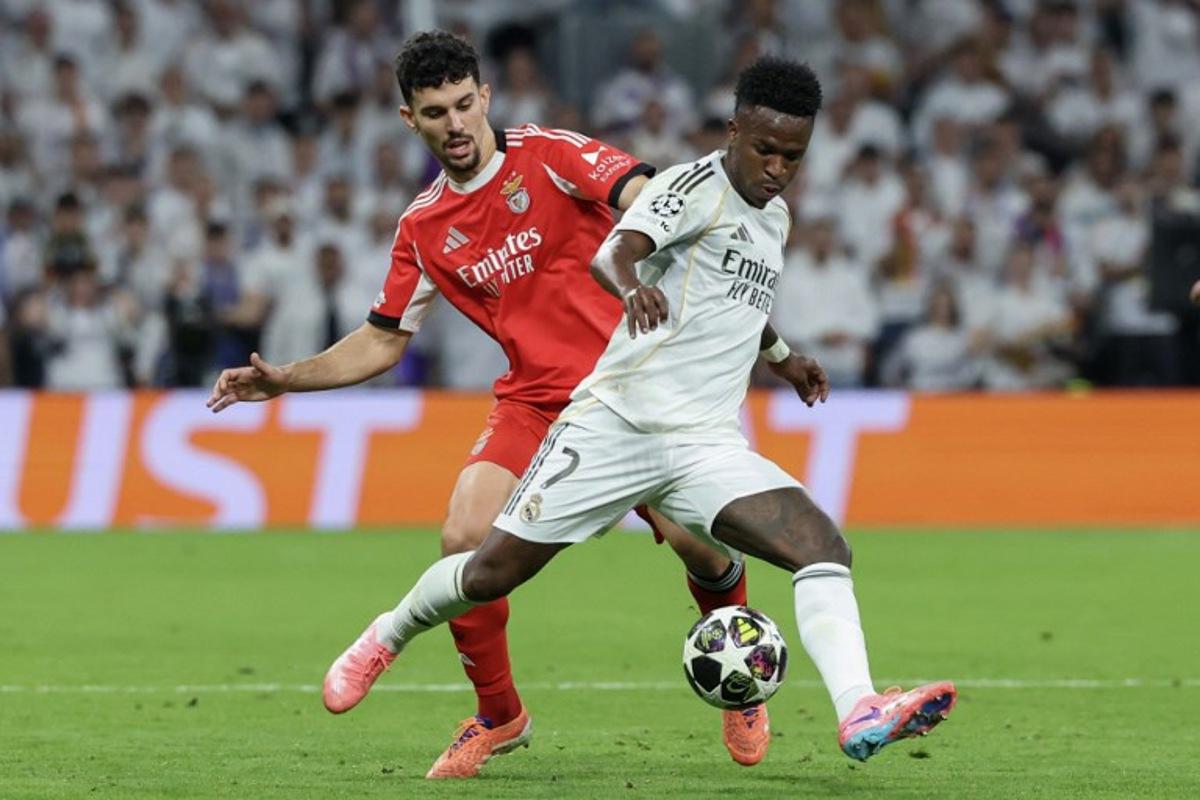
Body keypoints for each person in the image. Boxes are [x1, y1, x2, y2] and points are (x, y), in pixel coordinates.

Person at [330, 56, 956, 768]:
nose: (778, 168)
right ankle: (389, 631)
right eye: (765, 150)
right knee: (484, 572)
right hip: (614, 427)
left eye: (793, 156)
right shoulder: (689, 185)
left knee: (822, 547)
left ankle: (860, 709)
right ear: (734, 132)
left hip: (701, 444)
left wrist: (781, 354)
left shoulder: (772, 217)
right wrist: (630, 285)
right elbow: (617, 251)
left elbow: (731, 302)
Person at [206, 31, 760, 777]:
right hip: (534, 402)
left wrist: (661, 237)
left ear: (486, 96)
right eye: (436, 112)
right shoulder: (424, 228)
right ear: (411, 120)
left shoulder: (553, 157)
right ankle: (500, 716)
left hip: (636, 388)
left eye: (466, 104)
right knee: (462, 536)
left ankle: (742, 684)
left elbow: (643, 196)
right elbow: (380, 341)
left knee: (704, 547)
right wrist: (286, 380)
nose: (456, 124)